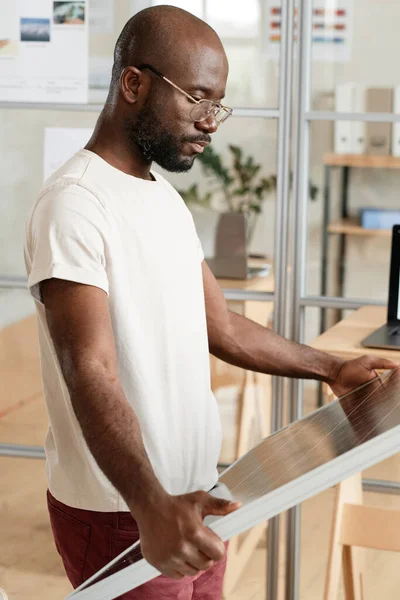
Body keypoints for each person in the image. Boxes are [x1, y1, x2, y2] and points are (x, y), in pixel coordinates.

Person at [23, 6, 397, 600]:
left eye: (217, 103)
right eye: (197, 98)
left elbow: (218, 323)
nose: (211, 121)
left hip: (197, 495)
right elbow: (88, 371)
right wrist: (149, 505)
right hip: (129, 513)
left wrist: (330, 367)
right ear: (133, 83)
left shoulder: (161, 197)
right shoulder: (74, 204)